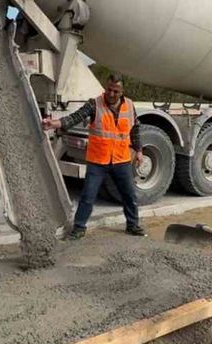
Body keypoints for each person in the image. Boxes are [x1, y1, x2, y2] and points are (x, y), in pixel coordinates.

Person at [42, 74, 146, 240]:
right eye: (109, 90)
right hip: (98, 160)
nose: (111, 94)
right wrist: (54, 124)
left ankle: (133, 225)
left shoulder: (130, 105)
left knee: (129, 195)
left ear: (122, 92)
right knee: (88, 196)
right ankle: (79, 228)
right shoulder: (94, 104)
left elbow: (135, 129)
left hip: (121, 159)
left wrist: (139, 150)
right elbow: (74, 118)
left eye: (115, 91)